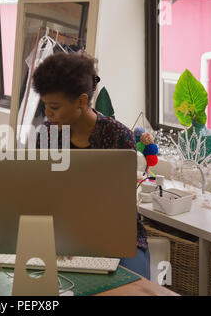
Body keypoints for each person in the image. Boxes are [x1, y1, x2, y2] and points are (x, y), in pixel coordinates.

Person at [32, 52, 150, 279]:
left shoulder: (118, 136)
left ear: (82, 101)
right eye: (45, 105)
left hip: (118, 235)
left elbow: (121, 207)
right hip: (63, 232)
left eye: (54, 107)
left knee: (131, 288)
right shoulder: (48, 134)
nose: (48, 114)